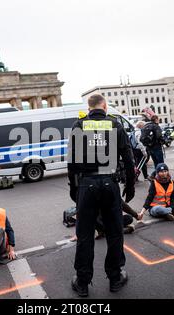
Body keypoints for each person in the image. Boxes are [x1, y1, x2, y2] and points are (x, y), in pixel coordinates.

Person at [67, 93, 135, 297]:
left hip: (86, 184)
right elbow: (129, 158)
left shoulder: (79, 126)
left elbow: (71, 162)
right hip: (109, 183)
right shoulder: (115, 124)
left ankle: (82, 282)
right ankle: (115, 278)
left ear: (89, 108)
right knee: (114, 232)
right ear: (104, 106)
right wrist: (130, 186)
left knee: (85, 235)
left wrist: (74, 188)